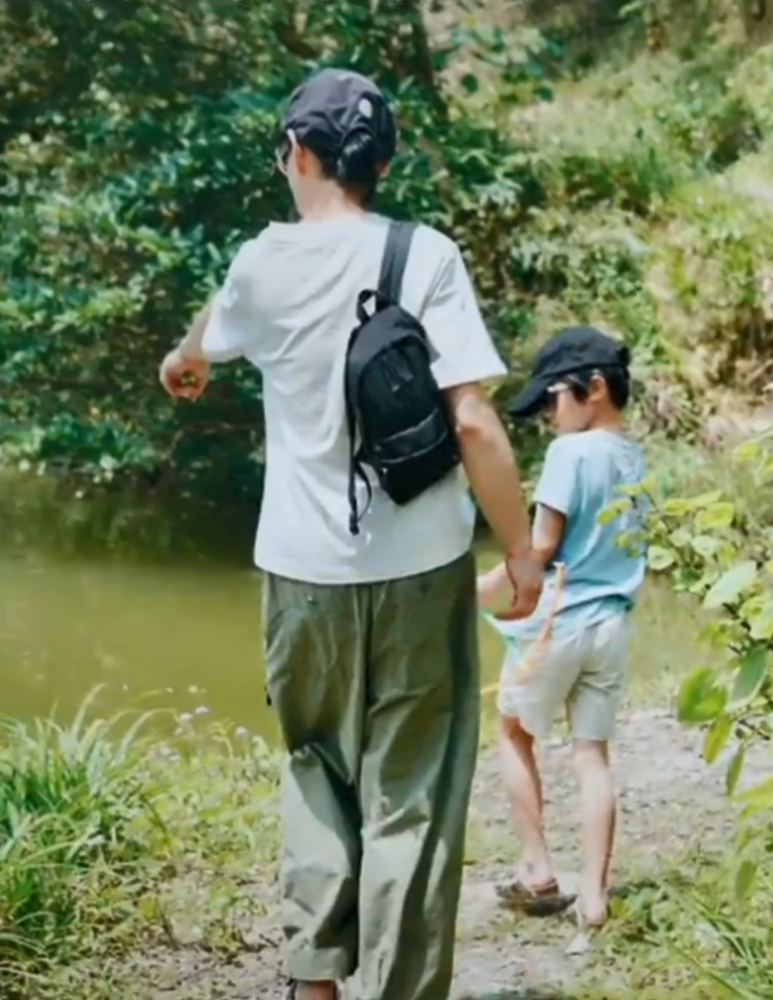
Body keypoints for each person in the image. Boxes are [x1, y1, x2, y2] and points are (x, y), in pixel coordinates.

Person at [158, 68, 543, 1000]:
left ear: (296, 152)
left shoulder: (261, 260)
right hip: (420, 568)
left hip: (300, 573)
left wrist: (184, 357)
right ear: (382, 161)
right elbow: (475, 423)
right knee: (409, 789)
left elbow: (211, 336)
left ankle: (314, 982)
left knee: (316, 769)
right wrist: (522, 550)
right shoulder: (425, 256)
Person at [477, 325, 646, 955]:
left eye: (552, 400)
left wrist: (483, 587)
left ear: (593, 388)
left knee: (513, 729)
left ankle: (537, 869)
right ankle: (595, 899)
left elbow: (541, 550)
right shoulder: (633, 456)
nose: (547, 416)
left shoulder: (569, 457)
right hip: (613, 624)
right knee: (590, 753)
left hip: (563, 620)